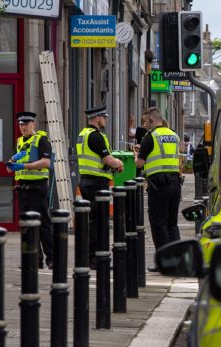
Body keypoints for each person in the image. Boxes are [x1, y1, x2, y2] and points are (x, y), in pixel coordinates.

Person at [133, 107, 181, 272]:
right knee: (172, 224)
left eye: (145, 121)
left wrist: (135, 154)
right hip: (175, 184)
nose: (144, 125)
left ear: (152, 121)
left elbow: (140, 163)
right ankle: (177, 260)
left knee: (158, 223)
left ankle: (163, 263)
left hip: (159, 185)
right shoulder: (174, 135)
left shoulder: (150, 137)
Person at [76, 104, 124, 269]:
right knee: (99, 222)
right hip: (97, 183)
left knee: (93, 221)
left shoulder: (83, 134)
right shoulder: (96, 136)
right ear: (97, 118)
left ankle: (91, 257)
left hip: (86, 181)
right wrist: (118, 163)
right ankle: (97, 258)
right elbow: (107, 159)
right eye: (104, 117)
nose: (105, 120)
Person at [6, 111, 53, 269]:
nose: (23, 127)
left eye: (26, 124)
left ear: (33, 123)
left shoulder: (42, 140)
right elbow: (8, 169)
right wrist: (13, 160)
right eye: (21, 124)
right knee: (27, 226)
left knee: (43, 225)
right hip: (24, 190)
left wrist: (22, 165)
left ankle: (52, 259)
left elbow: (46, 163)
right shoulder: (19, 142)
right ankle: (33, 259)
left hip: (38, 188)